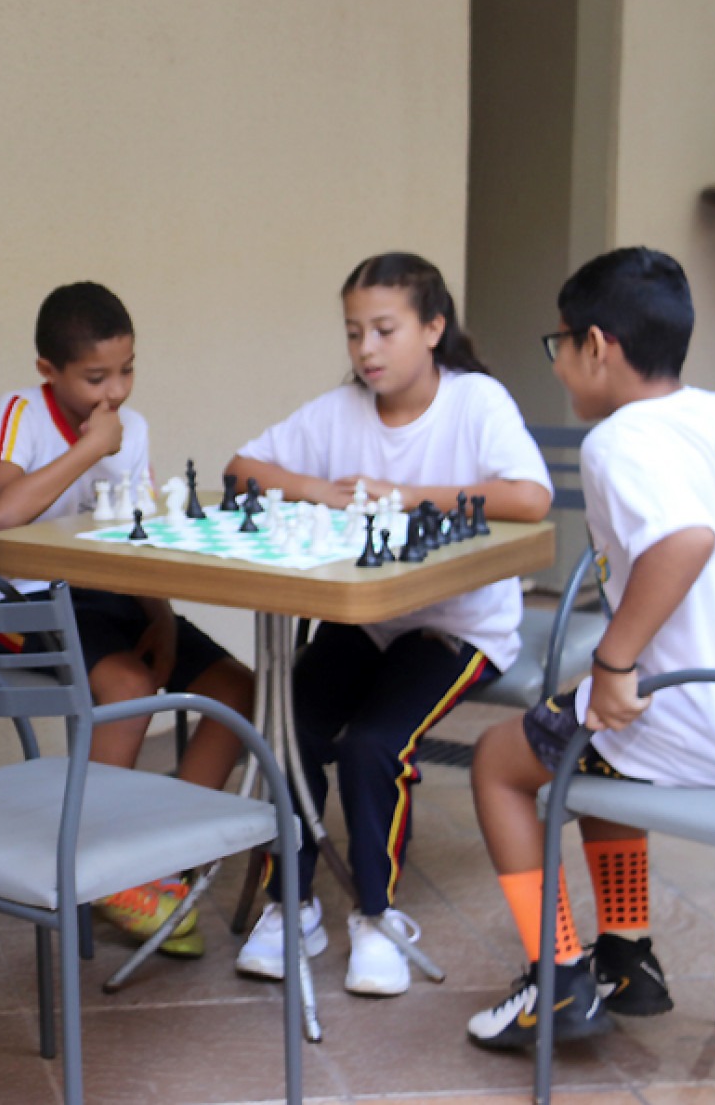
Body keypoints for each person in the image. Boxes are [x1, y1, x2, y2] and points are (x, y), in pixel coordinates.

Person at [464, 247, 715, 1049]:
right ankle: (626, 956)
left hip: (709, 728)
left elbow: (682, 541)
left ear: (596, 345)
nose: (557, 363)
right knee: (590, 729)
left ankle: (554, 979)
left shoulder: (618, 440)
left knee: (500, 760)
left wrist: (613, 663)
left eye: (559, 343)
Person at [224, 252, 552, 996]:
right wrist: (318, 490)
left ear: (433, 328)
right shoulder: (339, 409)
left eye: (383, 330)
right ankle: (291, 903)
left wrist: (403, 494)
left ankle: (376, 916)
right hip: (366, 617)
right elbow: (241, 468)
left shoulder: (475, 400)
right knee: (287, 727)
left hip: (458, 622)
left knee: (373, 743)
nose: (365, 349)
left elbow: (529, 498)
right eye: (352, 332)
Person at [0, 281, 257, 957]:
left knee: (233, 688)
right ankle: (101, 869)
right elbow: (1, 516)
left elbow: (137, 534)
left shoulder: (133, 429)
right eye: (96, 377)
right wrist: (90, 448)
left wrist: (161, 613)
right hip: (16, 600)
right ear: (49, 370)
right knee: (128, 683)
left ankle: (164, 855)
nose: (116, 391)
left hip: (106, 594)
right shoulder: (19, 413)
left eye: (127, 370)